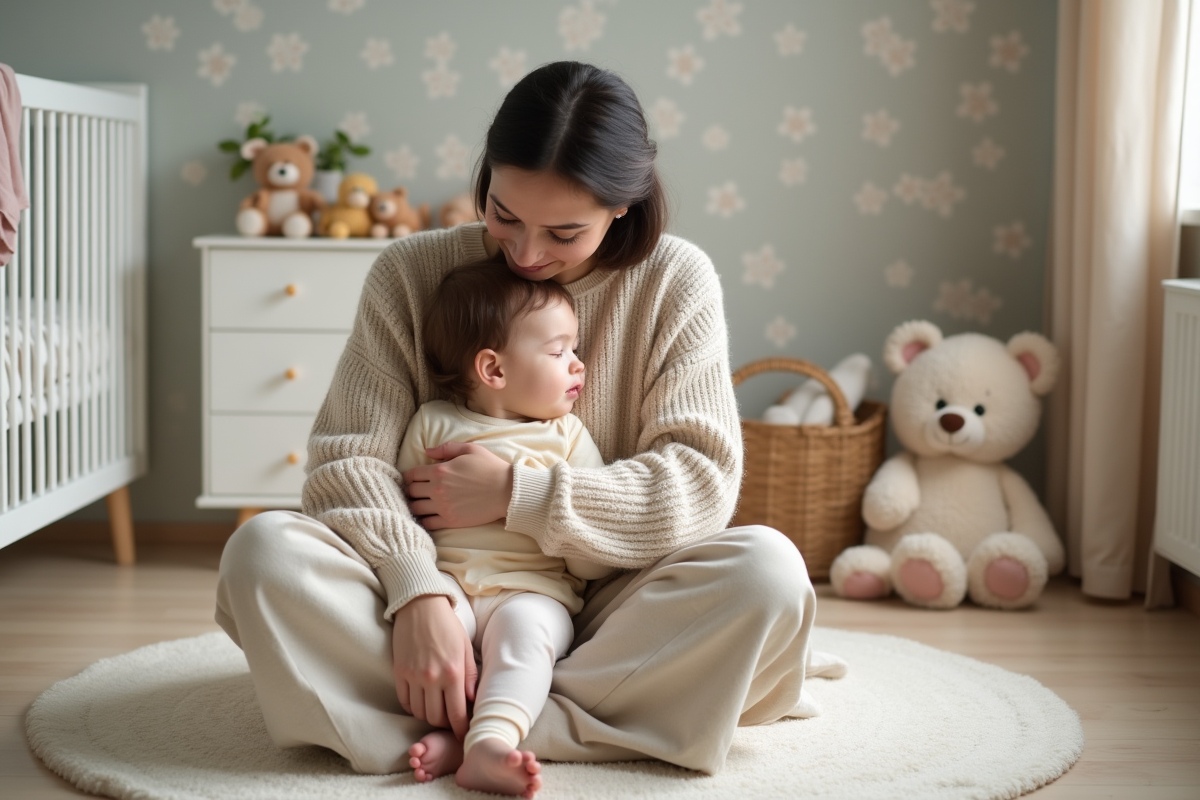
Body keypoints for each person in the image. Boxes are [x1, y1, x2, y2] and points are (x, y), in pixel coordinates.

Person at [215, 60, 836, 783]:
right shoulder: (409, 273)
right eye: (504, 215)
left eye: (564, 233)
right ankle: (576, 717)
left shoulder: (675, 280)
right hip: (431, 596)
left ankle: (459, 726)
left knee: (769, 575)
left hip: (603, 607)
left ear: (622, 210)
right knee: (262, 554)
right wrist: (416, 589)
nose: (528, 254)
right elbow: (348, 461)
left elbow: (698, 484)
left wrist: (523, 495)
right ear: (486, 176)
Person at [403, 262, 613, 796]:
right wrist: (420, 594)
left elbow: (592, 551)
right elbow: (399, 521)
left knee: (524, 639)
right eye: (559, 351)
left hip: (531, 591)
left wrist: (518, 500)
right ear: (493, 370)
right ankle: (453, 733)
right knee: (417, 640)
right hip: (445, 586)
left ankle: (489, 742)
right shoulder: (432, 424)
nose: (578, 364)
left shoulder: (566, 437)